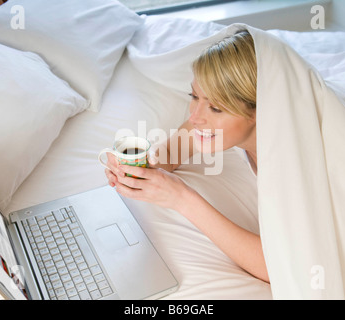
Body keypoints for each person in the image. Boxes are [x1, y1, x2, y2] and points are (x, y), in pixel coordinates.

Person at [104, 30, 269, 283]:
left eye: (215, 107)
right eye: (194, 97)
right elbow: (171, 151)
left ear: (259, 109)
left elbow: (279, 267)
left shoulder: (294, 165)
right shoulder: (222, 124)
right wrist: (141, 168)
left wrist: (182, 198)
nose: (195, 117)